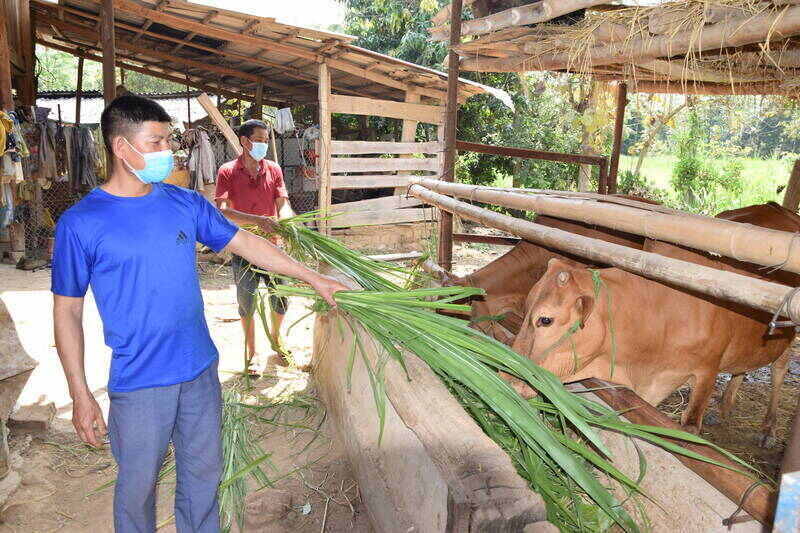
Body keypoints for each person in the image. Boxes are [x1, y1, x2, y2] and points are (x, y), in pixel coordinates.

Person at [51, 94, 347, 533]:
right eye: (155, 142)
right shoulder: (80, 223)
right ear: (120, 147)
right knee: (137, 489)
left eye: (167, 140)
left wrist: (312, 277)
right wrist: (80, 393)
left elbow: (245, 242)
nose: (166, 152)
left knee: (203, 479)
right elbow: (67, 314)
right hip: (139, 382)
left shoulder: (183, 203)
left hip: (199, 371)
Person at [215, 120, 293, 370]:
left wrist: (289, 221)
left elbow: (282, 203)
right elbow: (223, 211)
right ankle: (252, 353)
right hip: (243, 247)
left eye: (265, 140)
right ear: (244, 141)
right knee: (246, 301)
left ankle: (277, 339)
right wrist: (256, 220)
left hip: (273, 245)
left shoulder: (274, 169)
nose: (264, 145)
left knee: (280, 297)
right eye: (259, 140)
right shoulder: (227, 171)